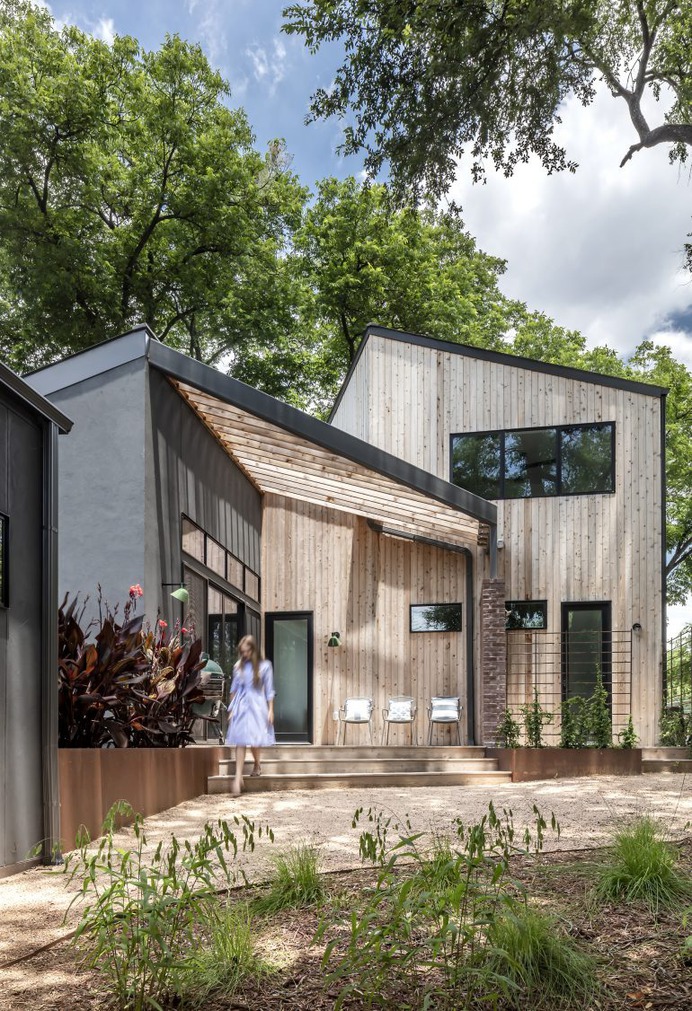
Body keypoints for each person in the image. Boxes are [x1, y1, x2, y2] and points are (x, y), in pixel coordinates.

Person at [225, 635, 275, 796]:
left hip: (257, 706)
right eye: (242, 651)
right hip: (241, 705)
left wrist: (270, 710)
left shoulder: (265, 666)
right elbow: (233, 690)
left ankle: (257, 764)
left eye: (247, 651)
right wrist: (232, 709)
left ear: (253, 650)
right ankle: (238, 777)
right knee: (240, 741)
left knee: (254, 741)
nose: (244, 654)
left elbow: (269, 690)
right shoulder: (238, 666)